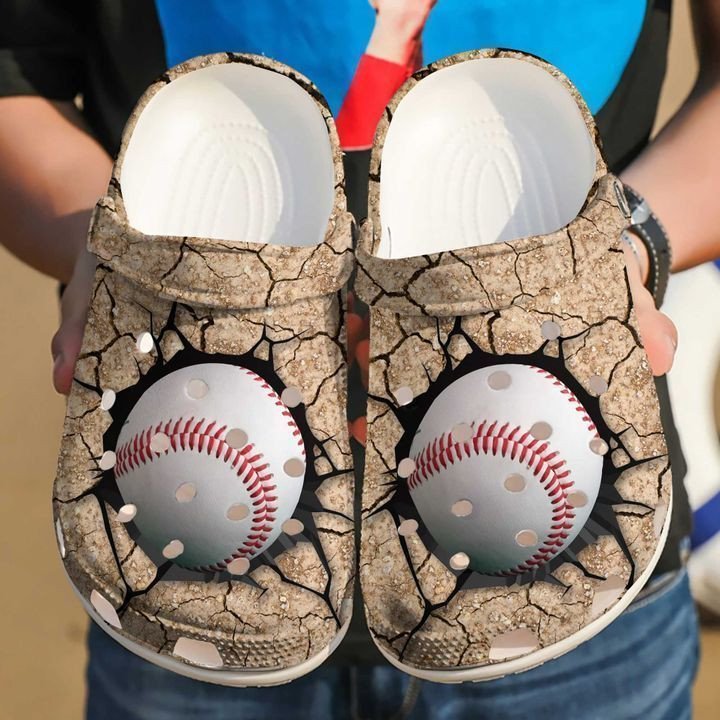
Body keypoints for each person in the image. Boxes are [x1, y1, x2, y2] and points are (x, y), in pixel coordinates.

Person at [1, 1, 718, 718]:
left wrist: (631, 245)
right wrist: (106, 251)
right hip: (173, 564)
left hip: (580, 572)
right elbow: (15, 76)